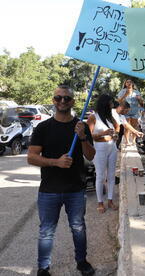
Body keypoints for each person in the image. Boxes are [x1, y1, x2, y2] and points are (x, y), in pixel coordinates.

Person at [27, 85, 96, 276]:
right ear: (53, 100)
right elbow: (31, 157)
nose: (62, 101)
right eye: (58, 98)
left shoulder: (80, 126)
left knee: (78, 227)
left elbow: (91, 155)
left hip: (75, 188)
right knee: (46, 231)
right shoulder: (43, 128)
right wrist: (55, 162)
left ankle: (81, 262)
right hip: (49, 189)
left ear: (73, 101)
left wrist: (82, 137)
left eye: (66, 98)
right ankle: (43, 267)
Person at [87, 94, 119, 214]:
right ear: (105, 103)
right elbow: (89, 136)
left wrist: (115, 135)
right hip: (99, 148)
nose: (112, 105)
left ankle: (110, 200)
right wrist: (103, 133)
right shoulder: (93, 117)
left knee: (111, 176)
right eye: (111, 102)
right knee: (100, 176)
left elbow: (117, 128)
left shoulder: (110, 117)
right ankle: (100, 202)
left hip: (112, 147)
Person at [117, 79, 143, 145]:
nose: (129, 83)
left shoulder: (136, 92)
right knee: (127, 126)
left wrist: (139, 99)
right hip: (125, 111)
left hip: (135, 111)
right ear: (125, 84)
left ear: (132, 84)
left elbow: (141, 103)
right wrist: (125, 94)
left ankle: (133, 141)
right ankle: (127, 141)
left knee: (134, 126)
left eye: (130, 82)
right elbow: (119, 101)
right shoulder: (122, 91)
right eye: (127, 82)